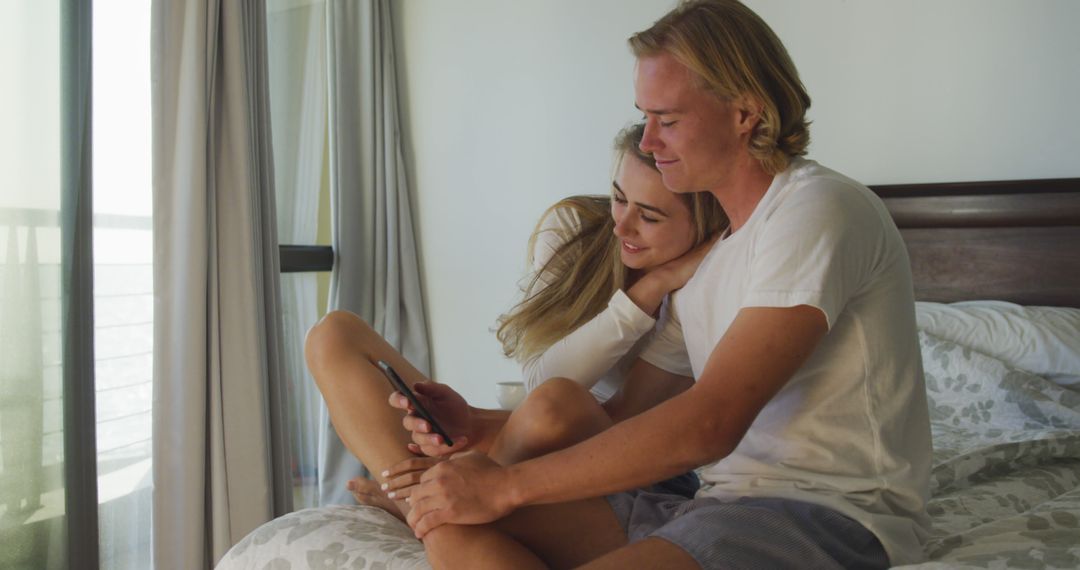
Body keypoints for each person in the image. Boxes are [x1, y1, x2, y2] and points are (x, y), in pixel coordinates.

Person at [394, 1, 932, 569]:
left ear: (745, 113)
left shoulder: (817, 208)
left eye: (668, 120)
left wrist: (506, 487)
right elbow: (625, 421)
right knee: (449, 522)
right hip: (711, 504)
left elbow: (711, 421)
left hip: (826, 515)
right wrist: (479, 427)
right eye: (644, 117)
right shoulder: (711, 263)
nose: (647, 141)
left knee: (486, 505)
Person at [306, 123, 726, 519]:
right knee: (333, 335)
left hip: (615, 457)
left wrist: (653, 292)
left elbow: (616, 421)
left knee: (555, 407)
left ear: (703, 225)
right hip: (530, 428)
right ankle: (418, 498)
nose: (621, 226)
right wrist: (475, 424)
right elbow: (539, 379)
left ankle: (428, 503)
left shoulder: (697, 294)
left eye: (649, 217)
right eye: (619, 198)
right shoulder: (574, 228)